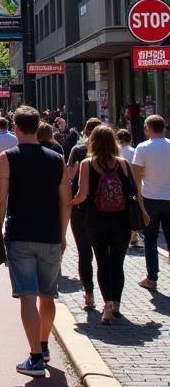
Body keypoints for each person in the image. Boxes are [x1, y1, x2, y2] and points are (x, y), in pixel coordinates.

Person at [0, 106, 70, 377]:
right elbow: (66, 202)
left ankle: (35, 357)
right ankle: (45, 345)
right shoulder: (56, 158)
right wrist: (62, 234)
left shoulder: (7, 158)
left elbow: (0, 200)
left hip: (20, 233)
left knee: (27, 295)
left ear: (15, 127)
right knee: (48, 295)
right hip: (49, 234)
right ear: (38, 127)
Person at [71, 124, 144, 324]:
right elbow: (135, 191)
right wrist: (143, 212)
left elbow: (81, 195)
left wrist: (67, 203)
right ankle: (117, 304)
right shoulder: (123, 163)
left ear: (92, 142)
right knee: (117, 264)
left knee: (102, 263)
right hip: (121, 221)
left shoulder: (87, 163)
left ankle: (108, 307)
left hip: (96, 221)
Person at [67, 118, 102, 308]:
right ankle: (111, 301)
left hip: (81, 207)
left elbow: (69, 176)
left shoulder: (78, 151)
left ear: (86, 131)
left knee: (84, 253)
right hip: (107, 210)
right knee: (105, 256)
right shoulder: (114, 155)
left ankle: (89, 294)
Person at [132, 114, 170, 290]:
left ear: (147, 128)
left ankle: (152, 278)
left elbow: (136, 177)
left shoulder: (142, 148)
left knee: (150, 238)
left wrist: (138, 201)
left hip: (150, 198)